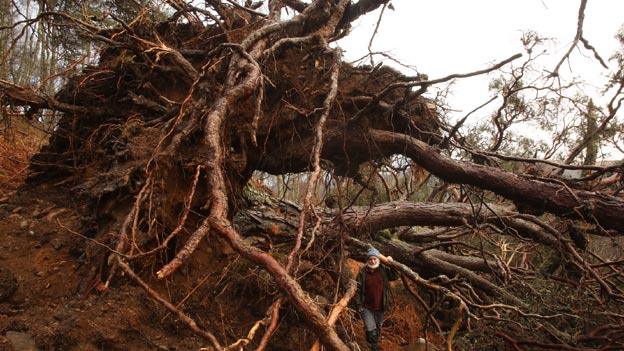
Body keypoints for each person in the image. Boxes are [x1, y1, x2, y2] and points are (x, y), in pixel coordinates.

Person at [354, 247, 399, 351]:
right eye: (370, 259)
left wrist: (392, 263)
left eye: (374, 259)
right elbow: (357, 289)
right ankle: (374, 348)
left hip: (380, 306)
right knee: (371, 329)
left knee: (377, 329)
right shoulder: (363, 272)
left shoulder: (383, 269)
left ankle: (371, 344)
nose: (373, 261)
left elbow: (395, 276)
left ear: (378, 259)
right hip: (366, 307)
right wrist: (359, 305)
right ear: (367, 260)